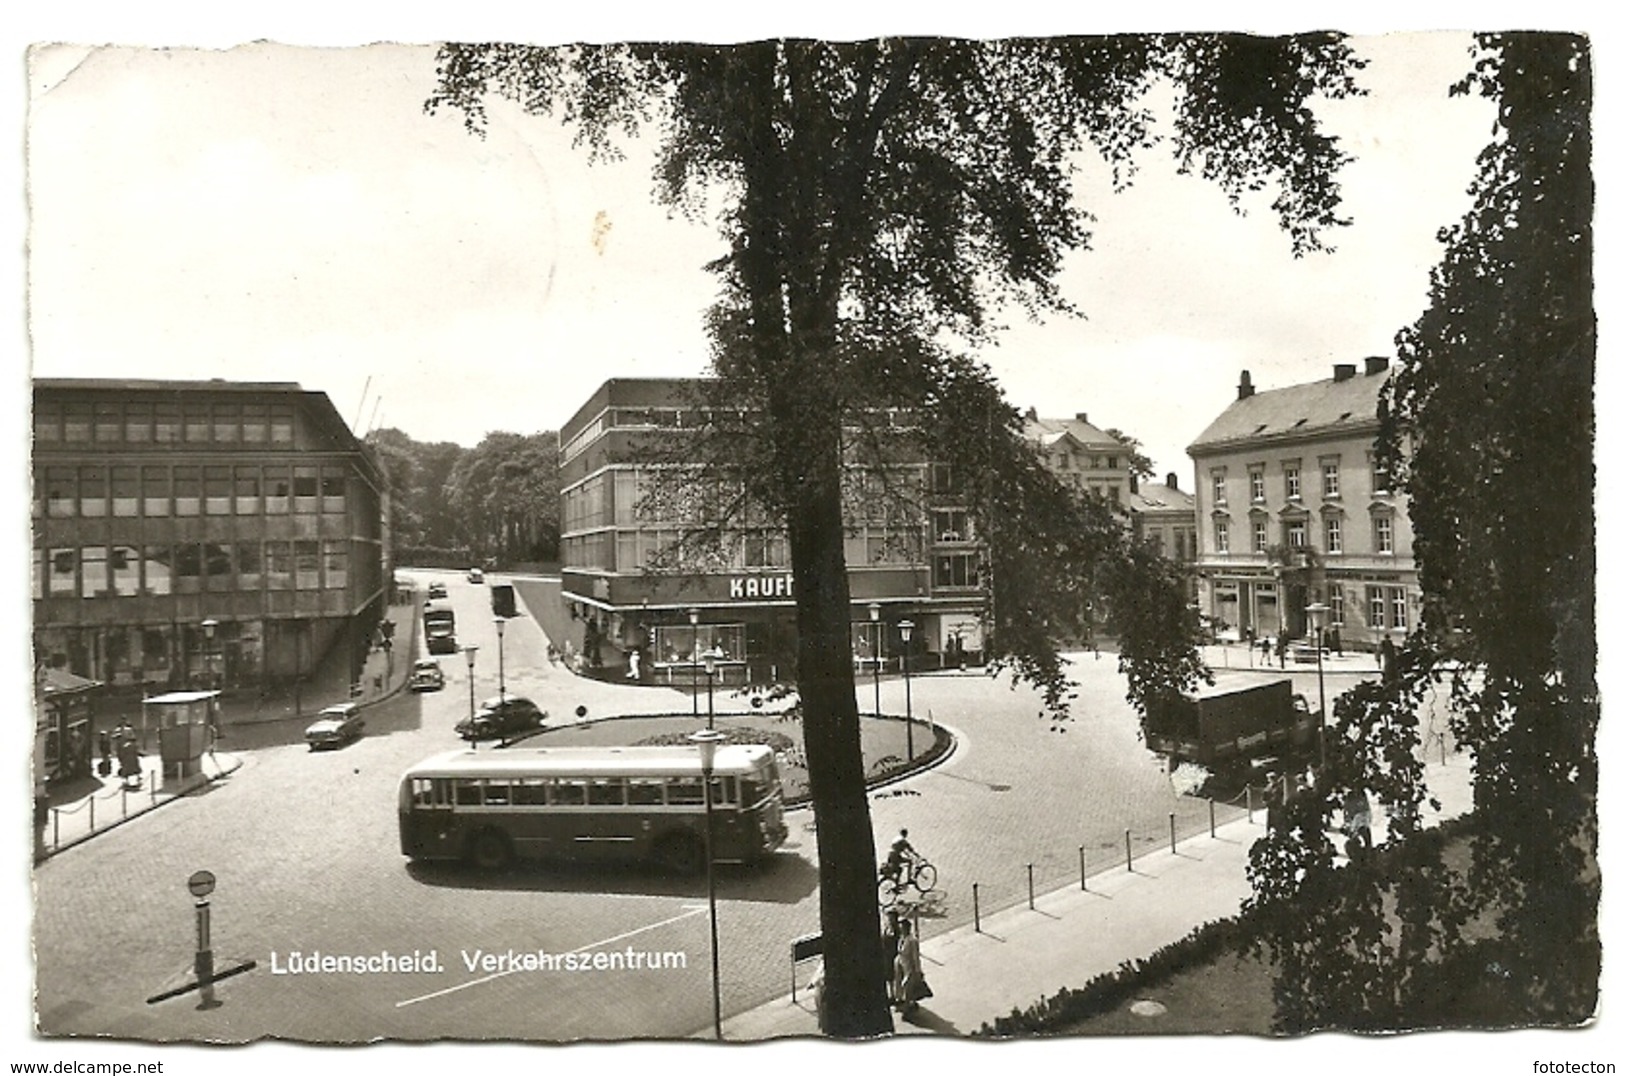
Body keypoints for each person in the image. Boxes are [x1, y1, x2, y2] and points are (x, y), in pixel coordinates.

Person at [891, 918, 930, 1015]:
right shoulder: (902, 938)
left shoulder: (912, 940)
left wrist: (918, 970)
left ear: (907, 928)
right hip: (900, 964)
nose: (901, 929)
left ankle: (908, 1006)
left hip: (909, 967)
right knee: (900, 984)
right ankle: (905, 1002)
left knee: (907, 986)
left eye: (903, 928)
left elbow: (915, 957)